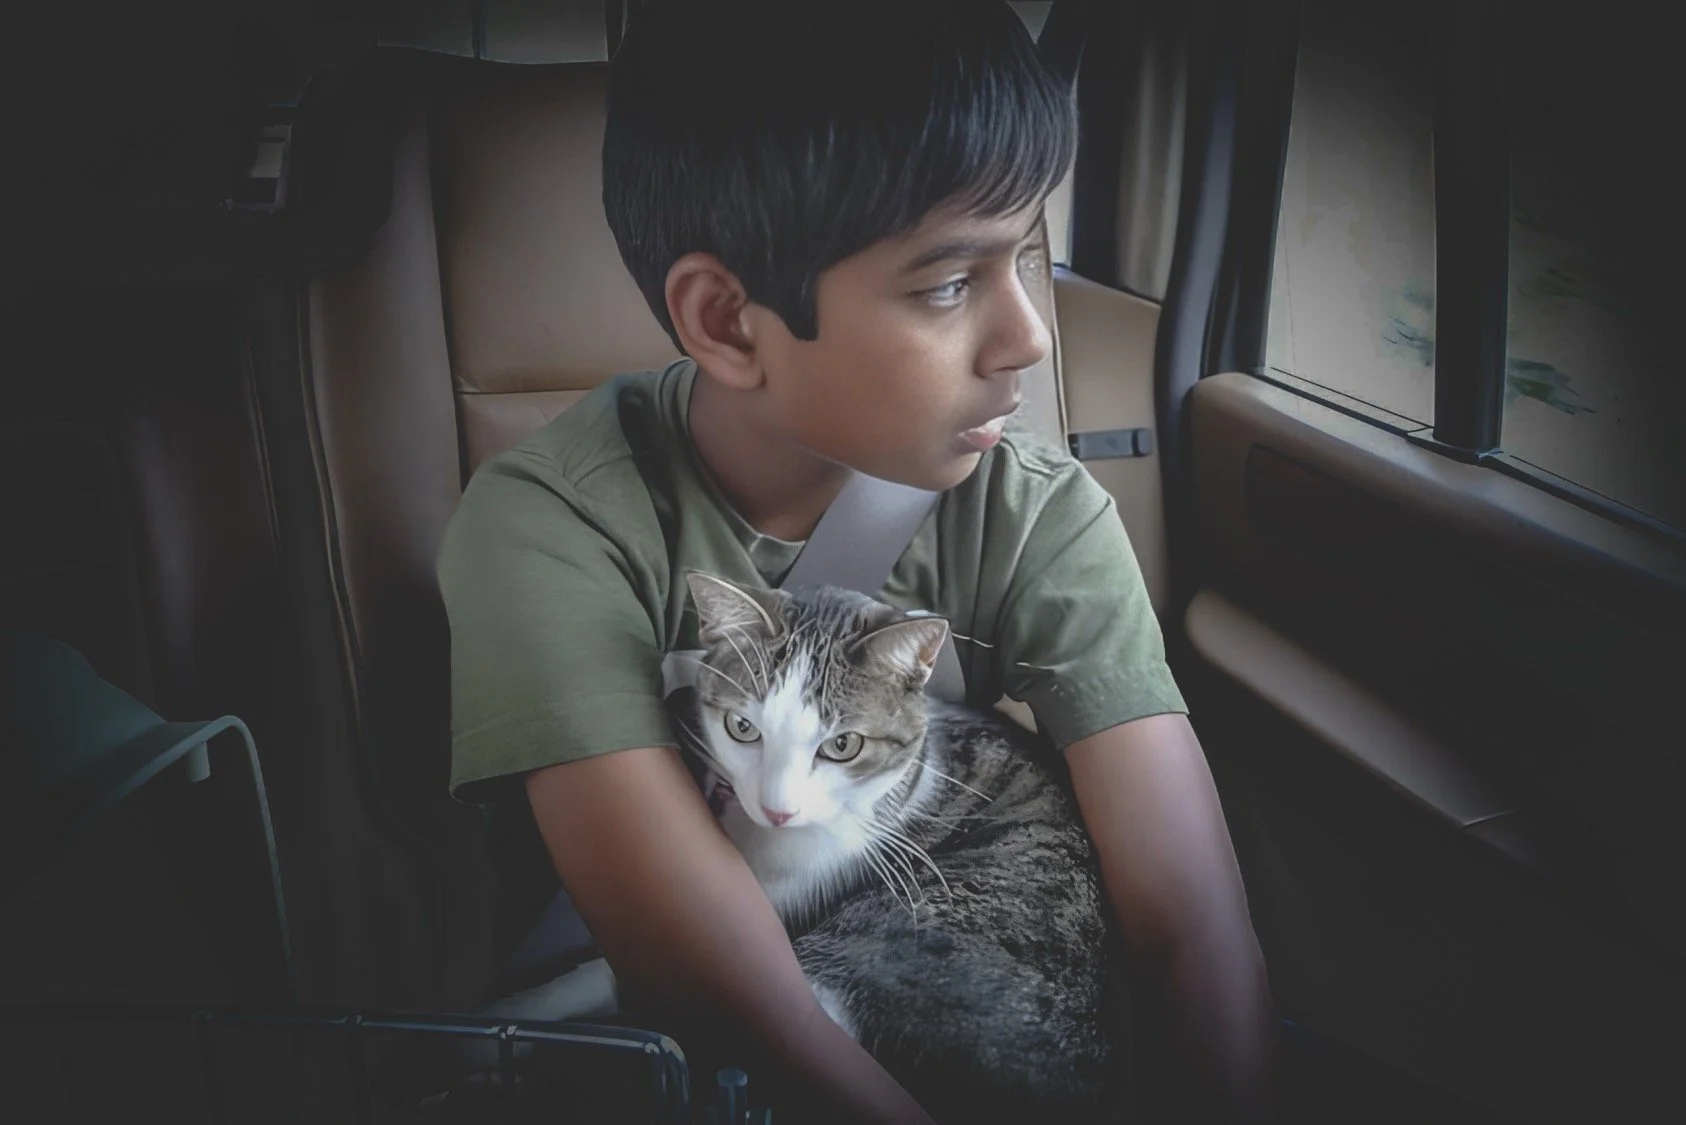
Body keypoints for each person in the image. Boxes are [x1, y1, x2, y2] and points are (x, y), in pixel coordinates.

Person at [439, 1, 1274, 1120]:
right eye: (945, 283)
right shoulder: (550, 528)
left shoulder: (1042, 515)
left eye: (1025, 254)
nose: (1029, 335)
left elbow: (1190, 922)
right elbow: (711, 968)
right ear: (729, 323)